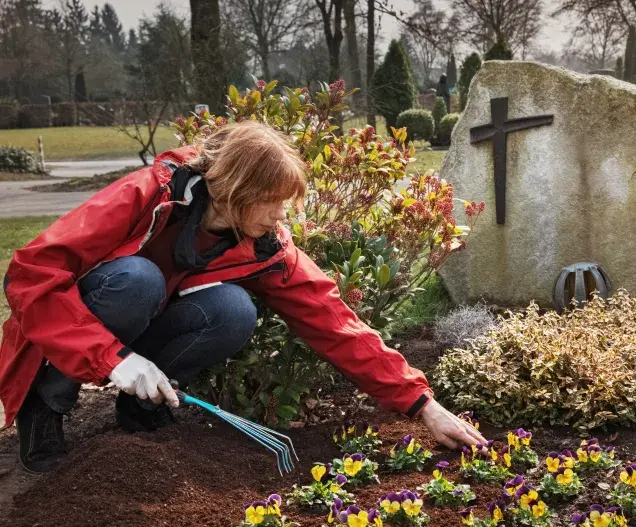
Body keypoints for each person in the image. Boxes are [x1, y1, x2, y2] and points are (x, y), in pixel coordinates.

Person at [0, 121, 486, 474]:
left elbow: (334, 322)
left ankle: (144, 405)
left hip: (147, 327)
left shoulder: (265, 244)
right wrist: (111, 358)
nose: (281, 215)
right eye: (271, 200)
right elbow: (30, 273)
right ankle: (47, 405)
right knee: (138, 280)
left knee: (233, 311)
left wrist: (421, 404)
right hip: (90, 316)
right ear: (233, 189)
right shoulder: (149, 195)